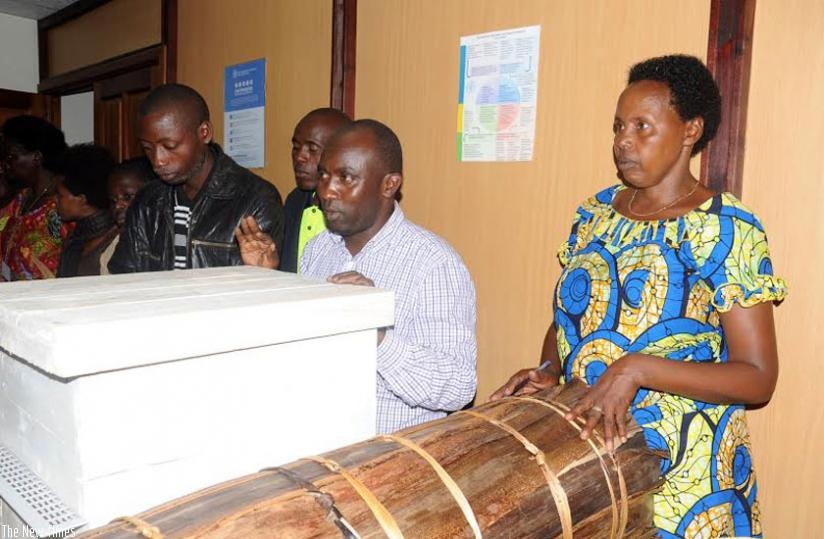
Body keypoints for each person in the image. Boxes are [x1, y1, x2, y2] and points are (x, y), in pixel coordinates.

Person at [490, 55, 786, 538]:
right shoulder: (596, 213)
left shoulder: (726, 227)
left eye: (642, 127)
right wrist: (550, 372)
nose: (623, 141)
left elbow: (757, 378)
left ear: (690, 130)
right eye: (618, 127)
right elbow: (569, 318)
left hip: (685, 484)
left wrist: (638, 367)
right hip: (592, 466)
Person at [237, 119, 477, 433]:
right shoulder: (319, 248)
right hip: (317, 440)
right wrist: (268, 281)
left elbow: (458, 388)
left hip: (390, 457)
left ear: (389, 185)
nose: (326, 191)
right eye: (324, 175)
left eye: (345, 177)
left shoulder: (433, 263)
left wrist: (374, 330)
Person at [108, 83, 284, 273]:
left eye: (170, 146)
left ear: (204, 133)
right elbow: (123, 277)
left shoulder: (254, 199)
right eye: (148, 149)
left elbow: (259, 287)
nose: (158, 160)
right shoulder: (147, 201)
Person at [280, 108, 352, 273]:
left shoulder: (356, 211)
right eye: (296, 147)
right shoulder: (295, 201)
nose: (300, 157)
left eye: (312, 149)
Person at [0, 115, 71, 281]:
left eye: (11, 157)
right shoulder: (19, 200)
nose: (5, 164)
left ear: (37, 157)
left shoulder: (65, 203)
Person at [54, 144, 118, 277]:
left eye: (60, 195)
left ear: (82, 199)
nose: (55, 200)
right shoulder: (76, 236)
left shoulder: (115, 239)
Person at [98, 156, 156, 274]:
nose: (118, 206)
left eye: (128, 197)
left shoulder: (167, 237)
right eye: (113, 201)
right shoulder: (115, 245)